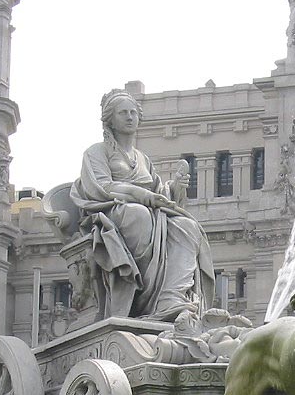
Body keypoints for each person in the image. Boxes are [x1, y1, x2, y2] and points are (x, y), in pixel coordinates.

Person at [71, 89, 214, 320]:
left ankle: (170, 297)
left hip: (149, 212)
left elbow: (159, 192)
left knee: (188, 226)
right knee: (140, 216)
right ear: (110, 120)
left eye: (132, 113)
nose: (129, 117)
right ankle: (145, 301)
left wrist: (176, 187)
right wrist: (142, 196)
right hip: (112, 212)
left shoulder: (142, 158)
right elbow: (102, 188)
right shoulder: (96, 152)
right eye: (122, 113)